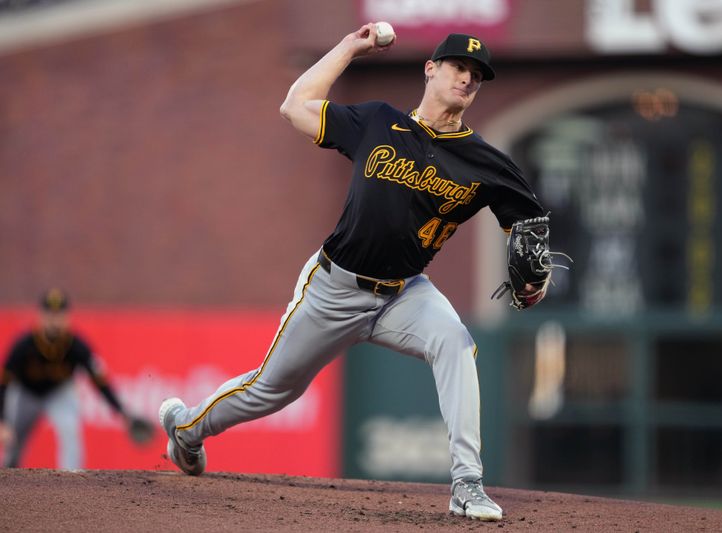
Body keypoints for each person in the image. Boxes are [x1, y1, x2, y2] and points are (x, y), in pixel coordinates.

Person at [158, 25, 548, 521]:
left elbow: (529, 225)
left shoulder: (486, 162)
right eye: (458, 67)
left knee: (455, 341)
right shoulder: (376, 122)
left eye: (477, 74)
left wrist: (535, 277)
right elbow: (294, 107)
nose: (467, 79)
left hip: (406, 294)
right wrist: (350, 47)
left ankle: (467, 483)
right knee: (271, 390)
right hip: (334, 287)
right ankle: (187, 431)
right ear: (430, 69)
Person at [0, 288, 140, 469]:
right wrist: (2, 421)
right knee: (12, 443)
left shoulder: (77, 346)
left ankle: (71, 481)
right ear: (41, 316)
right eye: (50, 315)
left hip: (60, 393)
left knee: (70, 431)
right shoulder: (25, 344)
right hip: (26, 393)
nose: (54, 321)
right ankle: (7, 478)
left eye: (59, 315)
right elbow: (3, 382)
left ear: (67, 317)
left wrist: (122, 413)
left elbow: (100, 381)